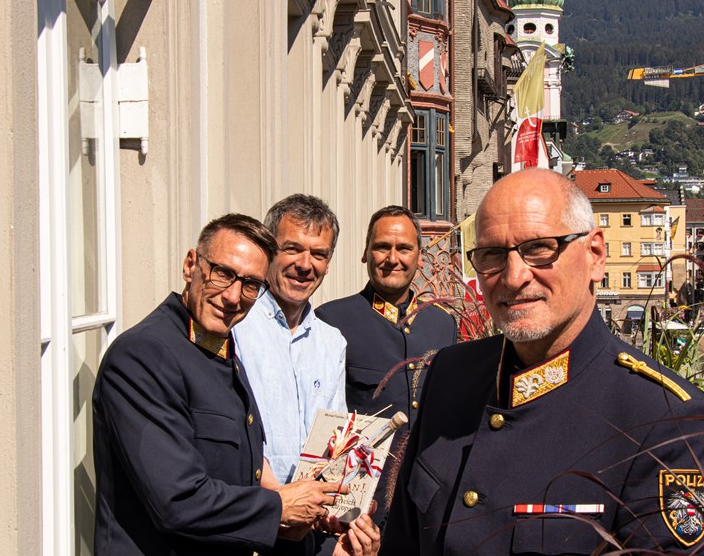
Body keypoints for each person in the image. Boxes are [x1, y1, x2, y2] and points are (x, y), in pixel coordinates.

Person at [382, 170, 704, 555]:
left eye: (539, 248)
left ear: (595, 255)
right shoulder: (451, 376)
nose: (514, 277)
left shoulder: (666, 419)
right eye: (492, 255)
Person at [93, 214, 378, 556]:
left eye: (249, 284)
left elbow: (247, 473)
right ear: (190, 266)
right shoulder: (144, 354)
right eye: (223, 273)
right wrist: (280, 506)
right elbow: (178, 501)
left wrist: (311, 517)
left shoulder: (220, 349)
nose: (232, 296)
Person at [316, 206, 457, 523]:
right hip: (361, 507)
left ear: (419, 256)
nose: (393, 258)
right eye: (382, 247)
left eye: (404, 248)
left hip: (426, 507)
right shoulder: (332, 322)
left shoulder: (442, 324)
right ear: (365, 254)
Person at [235, 194, 347, 486]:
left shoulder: (332, 343)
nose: (305, 264)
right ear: (268, 252)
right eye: (293, 249)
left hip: (312, 518)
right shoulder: (236, 325)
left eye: (319, 254)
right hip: (252, 512)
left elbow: (335, 442)